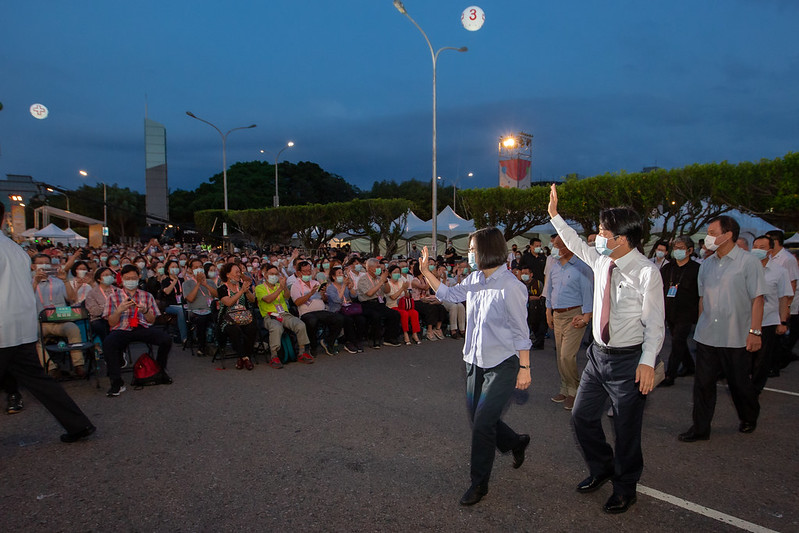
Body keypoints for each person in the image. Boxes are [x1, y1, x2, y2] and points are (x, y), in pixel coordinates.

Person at [548, 183, 665, 514]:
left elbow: (655, 323)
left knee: (626, 431)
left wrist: (647, 362)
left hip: (629, 361)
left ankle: (626, 487)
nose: (596, 237)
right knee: (581, 418)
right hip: (598, 358)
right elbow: (571, 241)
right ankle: (602, 469)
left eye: (602, 232)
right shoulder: (601, 260)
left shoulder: (646, 272)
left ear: (622, 238)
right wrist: (555, 215)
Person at [419, 228, 531, 506]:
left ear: (488, 249)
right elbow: (449, 294)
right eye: (469, 249)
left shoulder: (512, 287)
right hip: (473, 361)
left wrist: (525, 368)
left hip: (503, 364)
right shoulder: (475, 279)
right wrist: (425, 271)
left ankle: (479, 484)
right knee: (480, 417)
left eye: (472, 249)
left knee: (482, 423)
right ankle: (515, 443)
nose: (468, 254)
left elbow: (521, 332)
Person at [678, 215, 764, 443]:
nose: (708, 237)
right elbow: (702, 299)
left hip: (736, 336)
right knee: (703, 385)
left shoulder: (748, 263)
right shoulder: (706, 265)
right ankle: (700, 428)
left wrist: (755, 332)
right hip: (707, 335)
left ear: (728, 235)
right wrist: (699, 325)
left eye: (713, 233)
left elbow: (758, 299)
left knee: (738, 384)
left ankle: (749, 416)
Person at [102, 264, 173, 396]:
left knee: (166, 339)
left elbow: (152, 320)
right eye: (127, 278)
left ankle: (159, 370)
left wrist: (145, 311)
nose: (130, 281)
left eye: (133, 278)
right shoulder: (113, 297)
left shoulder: (146, 296)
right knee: (108, 342)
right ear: (122, 279)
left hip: (141, 326)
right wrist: (119, 310)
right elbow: (111, 323)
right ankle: (116, 382)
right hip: (122, 328)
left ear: (139, 278)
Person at [543, 236, 594, 411]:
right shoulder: (554, 267)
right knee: (560, 356)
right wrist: (548, 311)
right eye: (554, 245)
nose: (553, 248)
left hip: (574, 315)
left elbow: (588, 293)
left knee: (567, 355)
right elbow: (550, 290)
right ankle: (564, 388)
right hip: (557, 315)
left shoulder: (582, 267)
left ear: (568, 247)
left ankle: (575, 390)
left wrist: (587, 316)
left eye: (557, 246)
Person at [31, 253, 86, 378]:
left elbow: (72, 298)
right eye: (40, 263)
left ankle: (79, 365)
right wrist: (35, 282)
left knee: (73, 329)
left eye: (47, 262)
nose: (44, 265)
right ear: (33, 266)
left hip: (60, 321)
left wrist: (65, 280)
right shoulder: (27, 282)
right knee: (33, 337)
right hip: (40, 324)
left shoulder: (57, 282)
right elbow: (26, 301)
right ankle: (51, 368)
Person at [750, 235, 792, 392]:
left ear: (770, 250)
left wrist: (782, 322)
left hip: (767, 320)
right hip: (746, 319)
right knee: (744, 355)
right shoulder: (746, 268)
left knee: (762, 358)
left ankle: (755, 387)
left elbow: (783, 298)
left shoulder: (779, 272)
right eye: (755, 246)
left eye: (761, 247)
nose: (757, 250)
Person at [658, 236, 700, 386]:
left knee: (677, 343)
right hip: (670, 312)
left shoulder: (696, 269)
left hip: (687, 313)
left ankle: (670, 375)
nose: (677, 251)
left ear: (689, 250)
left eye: (681, 248)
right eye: (675, 248)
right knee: (679, 341)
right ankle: (689, 366)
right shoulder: (667, 268)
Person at [255, 264, 314, 367]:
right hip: (269, 316)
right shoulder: (259, 288)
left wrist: (284, 286)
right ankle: (274, 356)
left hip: (283, 314)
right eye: (271, 274)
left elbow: (287, 296)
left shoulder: (280, 285)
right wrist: (279, 289)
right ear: (265, 275)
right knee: (276, 327)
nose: (274, 276)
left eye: (276, 274)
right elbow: (268, 299)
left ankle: (302, 352)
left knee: (300, 324)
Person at [290, 261, 345, 356]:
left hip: (321, 310)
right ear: (299, 273)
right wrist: (310, 293)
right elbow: (297, 302)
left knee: (339, 318)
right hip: (307, 312)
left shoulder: (315, 282)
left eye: (309, 271)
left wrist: (323, 294)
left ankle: (328, 341)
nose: (308, 273)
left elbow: (324, 300)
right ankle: (313, 345)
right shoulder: (295, 286)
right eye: (305, 271)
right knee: (312, 321)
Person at [764, 230, 799, 372]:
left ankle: (777, 364)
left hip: (785, 303)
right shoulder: (772, 257)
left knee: (779, 337)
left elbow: (792, 283)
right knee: (774, 338)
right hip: (773, 303)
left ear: (775, 241)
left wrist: (788, 306)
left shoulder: (787, 259)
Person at [216, 263, 258, 370]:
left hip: (243, 316)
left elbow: (252, 300)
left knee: (252, 326)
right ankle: (245, 358)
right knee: (234, 330)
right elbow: (229, 302)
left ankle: (243, 357)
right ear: (228, 275)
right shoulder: (222, 288)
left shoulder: (241, 286)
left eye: (240, 272)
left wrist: (246, 290)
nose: (239, 275)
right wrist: (241, 292)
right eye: (236, 272)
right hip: (228, 318)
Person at [356, 258, 403, 349]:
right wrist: (381, 281)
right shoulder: (363, 279)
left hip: (379, 302)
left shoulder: (379, 278)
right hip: (367, 304)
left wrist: (385, 282)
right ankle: (375, 340)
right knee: (375, 316)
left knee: (394, 314)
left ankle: (389, 338)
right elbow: (369, 293)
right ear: (369, 268)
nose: (379, 269)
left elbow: (387, 291)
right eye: (377, 267)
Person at [182, 258, 218, 356]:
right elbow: (190, 299)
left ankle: (219, 344)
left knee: (221, 317)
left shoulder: (210, 282)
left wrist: (205, 284)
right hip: (196, 311)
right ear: (191, 270)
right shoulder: (187, 284)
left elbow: (217, 295)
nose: (199, 269)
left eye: (201, 267)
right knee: (202, 319)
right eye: (196, 267)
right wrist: (198, 283)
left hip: (210, 309)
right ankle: (202, 346)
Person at [325, 266, 365, 354]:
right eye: (339, 274)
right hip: (337, 310)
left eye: (342, 273)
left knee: (360, 319)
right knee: (348, 320)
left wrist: (350, 288)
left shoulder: (345, 285)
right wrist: (343, 287)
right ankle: (349, 342)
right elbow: (337, 300)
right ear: (333, 277)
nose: (341, 275)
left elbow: (354, 296)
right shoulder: (330, 288)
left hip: (348, 308)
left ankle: (357, 340)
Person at [385, 265, 421, 345]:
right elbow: (393, 297)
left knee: (414, 312)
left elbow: (407, 296)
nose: (397, 274)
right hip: (392, 306)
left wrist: (405, 290)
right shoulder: (388, 284)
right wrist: (402, 289)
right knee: (404, 314)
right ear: (390, 274)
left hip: (403, 305)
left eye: (398, 272)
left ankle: (415, 334)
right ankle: (405, 333)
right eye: (395, 272)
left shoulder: (401, 282)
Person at [411, 264, 448, 342]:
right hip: (417, 301)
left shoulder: (425, 279)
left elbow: (429, 292)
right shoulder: (414, 280)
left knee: (440, 307)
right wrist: (431, 277)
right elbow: (425, 287)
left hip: (426, 299)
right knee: (431, 308)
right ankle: (429, 329)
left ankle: (438, 328)